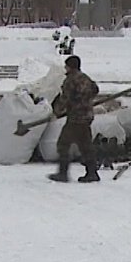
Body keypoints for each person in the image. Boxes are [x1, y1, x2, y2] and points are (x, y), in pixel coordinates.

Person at [48, 55, 100, 183]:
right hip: (87, 116)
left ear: (70, 66)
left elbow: (65, 99)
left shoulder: (70, 80)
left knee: (63, 144)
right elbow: (95, 90)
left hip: (75, 118)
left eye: (66, 66)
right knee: (85, 145)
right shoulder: (85, 78)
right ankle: (92, 172)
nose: (65, 68)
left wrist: (56, 112)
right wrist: (85, 101)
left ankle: (63, 173)